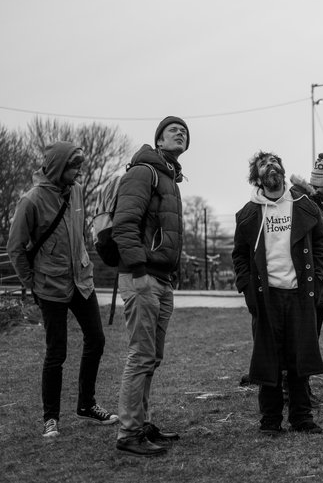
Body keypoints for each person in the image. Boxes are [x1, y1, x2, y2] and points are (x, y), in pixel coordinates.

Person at [7, 142, 118, 438]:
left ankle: (87, 404)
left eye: (80, 166)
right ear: (58, 168)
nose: (79, 172)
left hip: (81, 281)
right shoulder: (30, 201)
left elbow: (78, 233)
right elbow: (15, 247)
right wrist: (31, 282)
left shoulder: (77, 190)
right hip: (50, 285)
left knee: (96, 339)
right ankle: (51, 418)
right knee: (56, 352)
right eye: (74, 167)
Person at [232, 151, 323, 435]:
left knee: (300, 359)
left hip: (300, 295)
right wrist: (247, 288)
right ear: (257, 177)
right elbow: (239, 256)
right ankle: (270, 421)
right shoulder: (248, 214)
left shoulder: (304, 206)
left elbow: (322, 245)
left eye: (275, 162)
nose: (271, 166)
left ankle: (302, 418)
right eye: (264, 164)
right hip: (266, 298)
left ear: (282, 171)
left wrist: (318, 280)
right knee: (269, 361)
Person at [114, 116, 189, 456]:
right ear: (158, 140)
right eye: (173, 130)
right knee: (141, 355)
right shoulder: (144, 172)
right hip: (142, 277)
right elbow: (125, 224)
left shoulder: (170, 178)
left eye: (184, 131)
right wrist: (139, 270)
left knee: (152, 357)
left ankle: (141, 424)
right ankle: (129, 433)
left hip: (161, 278)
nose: (180, 133)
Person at [289, 152, 323, 336]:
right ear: (322, 185)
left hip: (316, 285)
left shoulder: (316, 208)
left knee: (310, 337)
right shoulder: (307, 208)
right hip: (311, 288)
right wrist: (320, 278)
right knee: (308, 338)